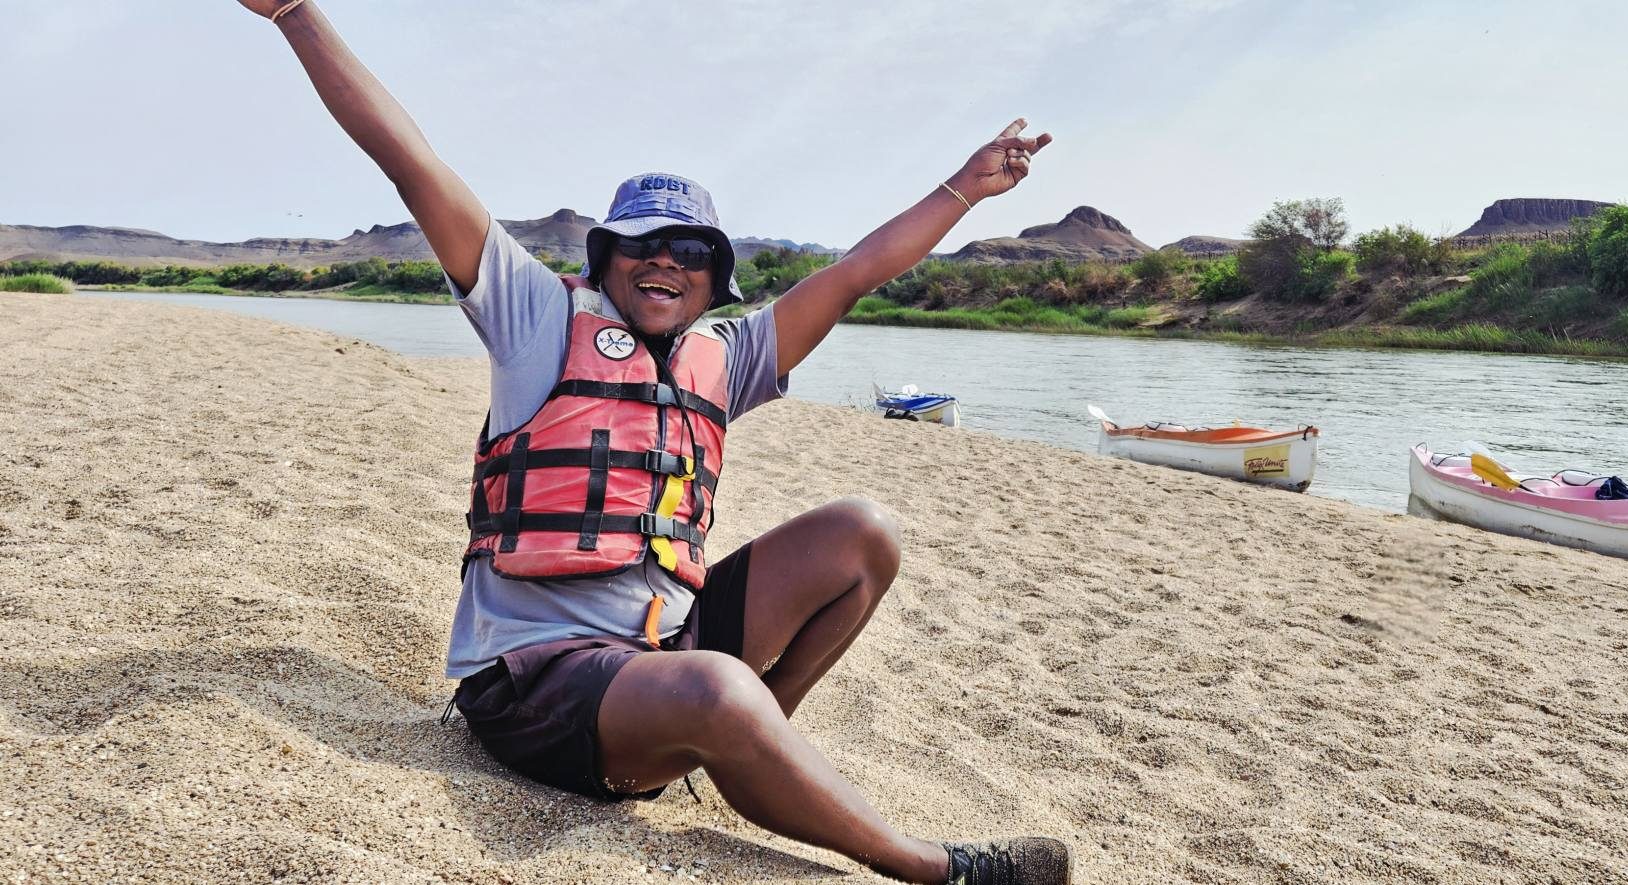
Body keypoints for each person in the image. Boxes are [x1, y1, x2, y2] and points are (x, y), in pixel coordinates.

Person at [236, 2, 1063, 883]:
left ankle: (751, 745)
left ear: (715, 280)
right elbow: (412, 163)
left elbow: (856, 271)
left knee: (865, 533)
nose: (665, 261)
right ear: (603, 259)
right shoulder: (537, 320)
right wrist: (295, 15)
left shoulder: (731, 356)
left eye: (690, 250)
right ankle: (937, 868)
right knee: (716, 689)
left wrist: (963, 190)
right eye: (641, 245)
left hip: (663, 650)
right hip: (539, 685)